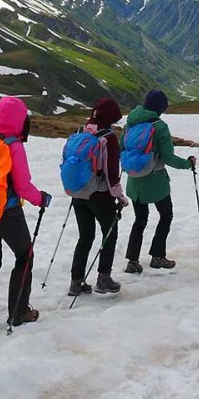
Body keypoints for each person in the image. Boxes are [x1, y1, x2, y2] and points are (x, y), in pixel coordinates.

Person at [0, 95, 52, 328]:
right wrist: (42, 199)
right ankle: (18, 312)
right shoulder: (13, 146)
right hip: (7, 213)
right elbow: (23, 186)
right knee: (25, 256)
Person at [123, 89, 196, 274]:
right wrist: (188, 164)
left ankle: (132, 261)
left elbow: (123, 148)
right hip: (156, 181)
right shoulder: (159, 126)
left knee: (140, 220)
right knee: (166, 215)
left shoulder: (130, 123)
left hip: (134, 180)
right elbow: (168, 157)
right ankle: (157, 257)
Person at [68, 97, 128, 297]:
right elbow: (111, 174)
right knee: (109, 234)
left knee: (85, 237)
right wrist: (120, 197)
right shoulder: (108, 138)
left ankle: (76, 282)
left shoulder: (80, 131)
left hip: (79, 194)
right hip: (100, 196)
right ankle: (103, 278)